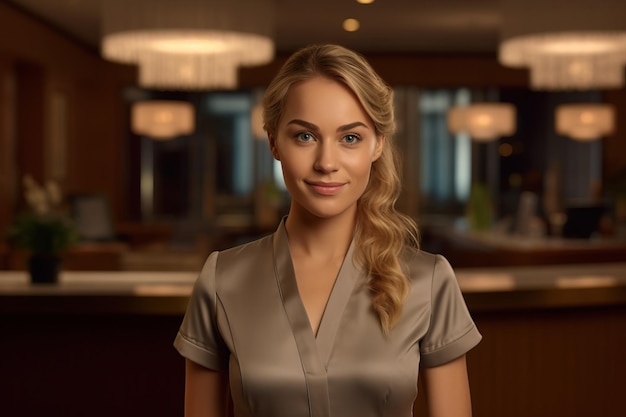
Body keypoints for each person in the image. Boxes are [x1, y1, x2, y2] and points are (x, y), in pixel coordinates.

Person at [174, 44, 482, 417]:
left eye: (350, 138)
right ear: (274, 142)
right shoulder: (223, 278)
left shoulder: (429, 281)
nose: (326, 163)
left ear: (377, 145)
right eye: (305, 136)